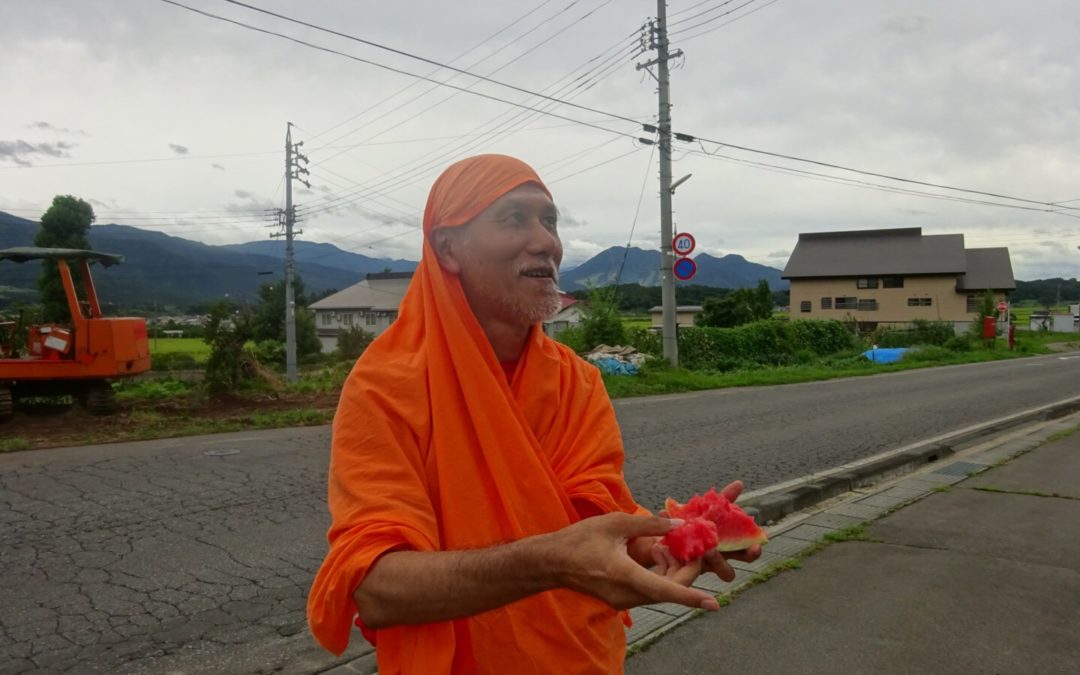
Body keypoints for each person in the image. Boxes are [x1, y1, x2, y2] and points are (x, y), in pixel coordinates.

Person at [307, 154, 761, 674]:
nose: (546, 241)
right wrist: (547, 561)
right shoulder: (386, 385)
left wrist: (661, 542)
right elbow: (376, 589)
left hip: (586, 660)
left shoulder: (576, 380)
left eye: (550, 221)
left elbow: (594, 517)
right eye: (514, 219)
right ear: (448, 249)